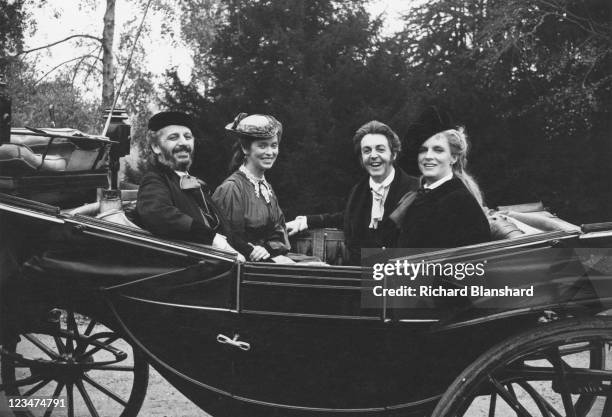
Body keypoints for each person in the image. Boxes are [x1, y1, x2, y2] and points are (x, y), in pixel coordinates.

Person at [287, 121, 420, 265]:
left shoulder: (415, 189)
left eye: (380, 149)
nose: (373, 155)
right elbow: (346, 217)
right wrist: (305, 222)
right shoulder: (358, 191)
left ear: (393, 154)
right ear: (362, 158)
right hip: (360, 276)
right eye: (367, 150)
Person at [136, 111, 244, 260]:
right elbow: (157, 213)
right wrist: (212, 238)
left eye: (188, 137)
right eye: (173, 138)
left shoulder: (197, 184)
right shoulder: (155, 179)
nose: (183, 143)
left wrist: (250, 249)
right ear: (156, 147)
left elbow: (223, 230)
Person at [212, 113, 290, 262]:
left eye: (274, 145)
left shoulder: (267, 189)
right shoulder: (232, 189)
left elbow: (279, 233)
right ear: (245, 148)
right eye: (262, 146)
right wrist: (256, 251)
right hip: (247, 266)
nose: (270, 152)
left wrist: (267, 249)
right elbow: (229, 240)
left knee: (320, 266)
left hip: (269, 258)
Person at [396, 128, 490, 248]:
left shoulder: (462, 202)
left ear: (453, 158)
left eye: (438, 150)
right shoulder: (415, 197)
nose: (428, 156)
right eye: (423, 150)